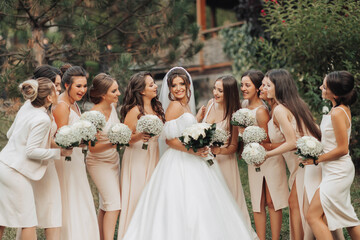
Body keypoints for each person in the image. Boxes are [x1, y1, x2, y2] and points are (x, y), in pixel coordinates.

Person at [122, 67, 258, 240]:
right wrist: (194, 151)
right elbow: (169, 140)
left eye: (181, 84)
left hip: (193, 157)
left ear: (188, 85)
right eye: (174, 85)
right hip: (179, 160)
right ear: (169, 89)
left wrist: (198, 122)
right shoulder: (174, 106)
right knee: (186, 201)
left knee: (204, 200)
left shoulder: (184, 105)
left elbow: (184, 131)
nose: (178, 88)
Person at [0, 78, 70, 240]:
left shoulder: (28, 107)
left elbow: (11, 134)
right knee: (28, 220)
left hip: (4, 163)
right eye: (55, 90)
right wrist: (59, 153)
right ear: (49, 98)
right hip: (13, 171)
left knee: (2, 216)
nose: (58, 92)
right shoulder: (43, 119)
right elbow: (31, 151)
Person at [263, 69, 322, 240]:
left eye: (268, 85)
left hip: (303, 162)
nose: (264, 88)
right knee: (299, 204)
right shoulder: (296, 104)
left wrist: (267, 155)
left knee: (295, 203)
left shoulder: (280, 110)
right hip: (307, 161)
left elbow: (292, 142)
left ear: (279, 87)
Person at [304, 71, 360, 240]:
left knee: (312, 216)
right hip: (333, 170)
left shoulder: (337, 113)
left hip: (338, 171)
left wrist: (316, 159)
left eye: (324, 86)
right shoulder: (338, 109)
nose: (321, 87)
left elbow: (343, 148)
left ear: (334, 94)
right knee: (348, 217)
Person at [53, 66, 100, 240]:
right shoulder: (61, 106)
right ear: (67, 85)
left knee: (81, 200)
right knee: (71, 201)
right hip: (66, 161)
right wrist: (81, 140)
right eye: (78, 86)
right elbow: (60, 138)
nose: (82, 90)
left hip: (77, 158)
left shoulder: (74, 105)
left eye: (84, 86)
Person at [241, 70, 289, 240]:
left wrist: (253, 142)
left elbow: (266, 138)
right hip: (253, 157)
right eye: (242, 85)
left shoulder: (262, 110)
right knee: (257, 201)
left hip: (269, 157)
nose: (244, 88)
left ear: (256, 87)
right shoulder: (243, 108)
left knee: (271, 200)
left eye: (248, 85)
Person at [117, 71, 165, 239]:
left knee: (152, 197)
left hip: (153, 156)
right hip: (137, 158)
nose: (155, 86)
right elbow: (123, 138)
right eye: (151, 84)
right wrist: (138, 136)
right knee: (138, 196)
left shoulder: (157, 109)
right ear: (142, 91)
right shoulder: (134, 111)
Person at [201, 75, 252, 227]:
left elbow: (234, 147)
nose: (215, 93)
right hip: (205, 160)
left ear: (229, 93)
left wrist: (219, 150)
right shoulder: (210, 104)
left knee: (229, 197)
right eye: (215, 89)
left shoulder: (233, 115)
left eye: (220, 91)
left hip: (225, 163)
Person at [86, 73, 121, 240]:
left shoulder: (113, 107)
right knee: (115, 205)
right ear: (102, 94)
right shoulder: (93, 115)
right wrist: (113, 143)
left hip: (114, 161)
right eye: (114, 91)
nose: (118, 93)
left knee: (106, 205)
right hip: (98, 163)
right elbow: (92, 148)